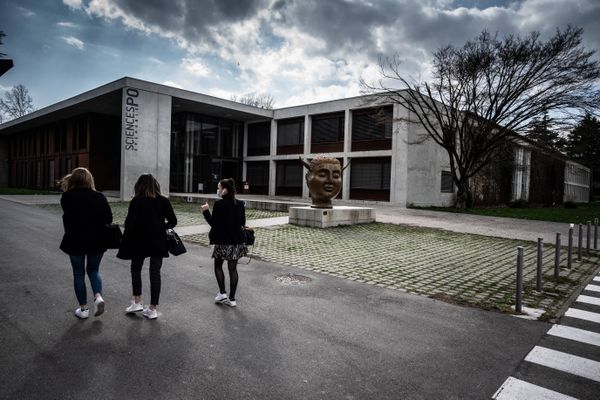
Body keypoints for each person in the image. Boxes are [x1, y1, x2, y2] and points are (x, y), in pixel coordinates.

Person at [117, 174, 177, 320]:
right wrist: (160, 226)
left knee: (136, 269)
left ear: (139, 185)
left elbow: (129, 224)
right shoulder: (163, 200)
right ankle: (152, 309)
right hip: (158, 241)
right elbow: (173, 221)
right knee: (155, 272)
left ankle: (137, 302)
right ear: (155, 185)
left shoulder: (136, 201)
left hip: (139, 241)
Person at [59, 167, 113, 319]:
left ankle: (83, 310)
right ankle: (98, 296)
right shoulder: (99, 196)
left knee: (78, 273)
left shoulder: (67, 197)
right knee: (93, 270)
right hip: (97, 240)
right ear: (90, 180)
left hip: (75, 240)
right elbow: (109, 219)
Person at [201, 178, 247, 307]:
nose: (218, 190)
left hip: (223, 241)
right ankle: (232, 299)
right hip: (237, 241)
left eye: (219, 187)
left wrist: (205, 211)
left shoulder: (219, 204)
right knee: (233, 269)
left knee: (218, 266)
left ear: (225, 189)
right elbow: (242, 223)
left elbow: (214, 224)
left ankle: (222, 293)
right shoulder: (240, 203)